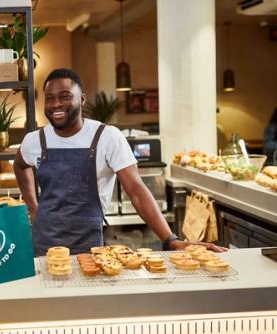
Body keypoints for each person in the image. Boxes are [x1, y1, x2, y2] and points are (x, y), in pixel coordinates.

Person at [14, 68, 225, 256]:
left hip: (89, 248)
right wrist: (33, 206)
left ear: (83, 99)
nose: (56, 104)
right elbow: (20, 165)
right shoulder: (34, 140)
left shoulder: (107, 137)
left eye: (65, 96)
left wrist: (171, 240)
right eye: (49, 98)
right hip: (42, 247)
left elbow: (136, 191)